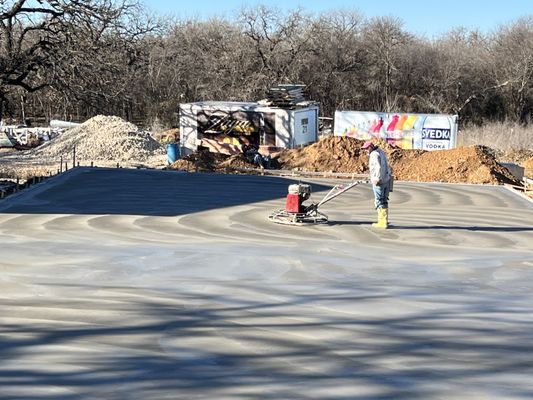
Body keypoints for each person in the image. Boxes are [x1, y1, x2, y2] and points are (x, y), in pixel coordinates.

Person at [362, 140, 392, 228]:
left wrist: (377, 178)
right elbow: (386, 165)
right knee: (384, 200)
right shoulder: (381, 152)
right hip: (386, 179)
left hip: (379, 181)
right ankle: (384, 221)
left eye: (366, 149)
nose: (365, 151)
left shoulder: (374, 154)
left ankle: (382, 223)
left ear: (370, 147)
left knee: (379, 201)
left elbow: (378, 167)